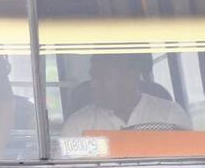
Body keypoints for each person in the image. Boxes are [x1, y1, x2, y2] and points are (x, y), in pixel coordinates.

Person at [61, 54, 191, 136]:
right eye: (93, 77)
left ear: (131, 78)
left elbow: (187, 166)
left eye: (103, 78)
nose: (93, 85)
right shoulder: (77, 125)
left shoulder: (169, 114)